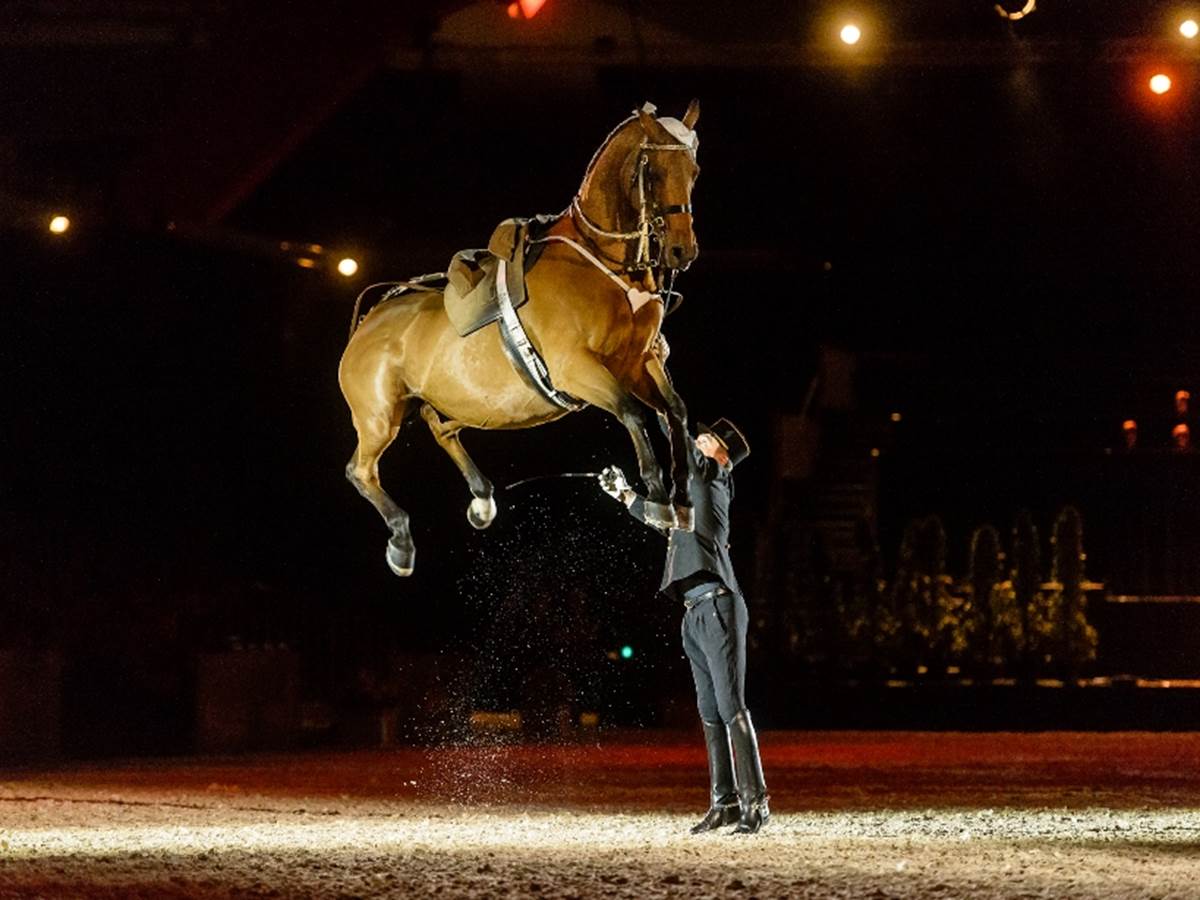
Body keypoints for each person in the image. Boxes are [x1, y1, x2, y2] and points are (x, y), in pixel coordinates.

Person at [598, 418, 768, 834]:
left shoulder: (713, 477)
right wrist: (624, 495)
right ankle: (724, 802)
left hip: (718, 606)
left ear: (722, 457)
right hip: (694, 611)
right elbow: (665, 520)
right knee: (710, 712)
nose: (697, 441)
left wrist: (658, 396)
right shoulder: (695, 495)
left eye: (706, 440)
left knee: (731, 708)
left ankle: (755, 802)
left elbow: (676, 433)